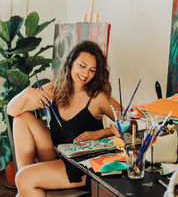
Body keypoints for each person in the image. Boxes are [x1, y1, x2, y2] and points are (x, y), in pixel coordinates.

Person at [7, 40, 122, 197]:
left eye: (92, 70)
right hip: (56, 153)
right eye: (82, 66)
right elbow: (12, 110)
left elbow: (129, 123)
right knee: (21, 118)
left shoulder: (97, 98)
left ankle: (26, 185)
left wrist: (99, 133)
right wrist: (27, 92)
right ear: (71, 62)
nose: (85, 74)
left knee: (23, 177)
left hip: (80, 166)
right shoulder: (54, 89)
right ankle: (27, 185)